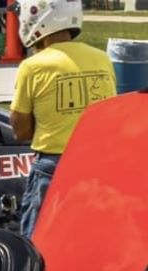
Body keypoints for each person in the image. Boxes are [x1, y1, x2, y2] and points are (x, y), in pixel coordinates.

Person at [9, 0, 115, 238]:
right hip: (98, 162)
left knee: (38, 239)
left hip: (54, 164)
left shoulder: (32, 67)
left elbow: (21, 129)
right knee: (91, 235)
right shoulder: (102, 59)